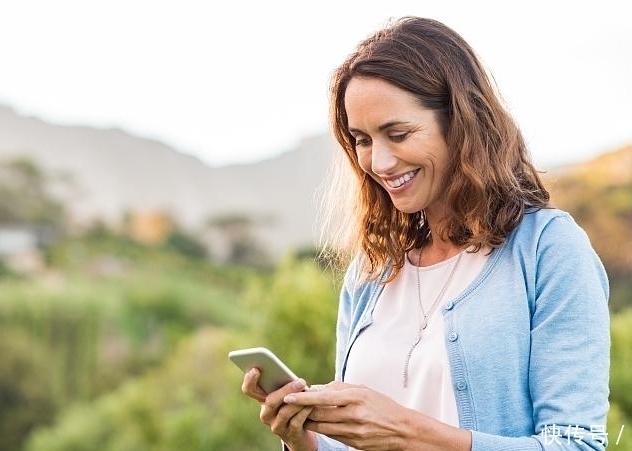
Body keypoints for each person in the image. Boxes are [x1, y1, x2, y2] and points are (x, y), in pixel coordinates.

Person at [242, 16, 610, 451]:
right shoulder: (373, 269)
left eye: (397, 134)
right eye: (361, 139)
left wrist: (407, 432)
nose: (379, 162)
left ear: (460, 122)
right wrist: (307, 442)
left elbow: (576, 444)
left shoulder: (548, 250)